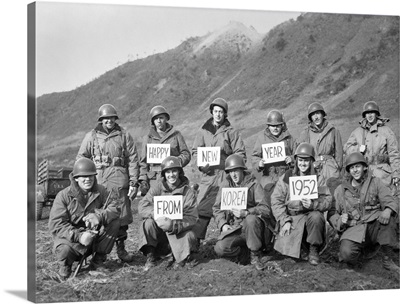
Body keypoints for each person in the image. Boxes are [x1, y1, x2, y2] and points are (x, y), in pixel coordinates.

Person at [76, 104, 140, 263]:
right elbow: (81, 158)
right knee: (97, 216)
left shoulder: (124, 135)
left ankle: (121, 250)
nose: (109, 121)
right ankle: (97, 253)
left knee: (122, 217)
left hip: (119, 182)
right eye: (106, 118)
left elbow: (133, 159)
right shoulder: (91, 137)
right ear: (101, 120)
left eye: (112, 118)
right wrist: (84, 179)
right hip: (99, 182)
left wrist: (134, 181)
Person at [48, 158, 121, 280]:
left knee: (115, 222)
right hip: (71, 241)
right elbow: (56, 224)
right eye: (83, 176)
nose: (88, 179)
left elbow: (116, 207)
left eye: (91, 176)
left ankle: (97, 262)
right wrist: (79, 236)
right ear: (76, 178)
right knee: (64, 250)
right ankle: (65, 267)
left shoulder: (101, 191)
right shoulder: (63, 196)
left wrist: (99, 216)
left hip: (94, 238)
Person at [328, 152, 399, 268]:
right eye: (352, 168)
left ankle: (388, 258)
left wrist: (388, 210)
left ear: (364, 167)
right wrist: (340, 220)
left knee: (389, 218)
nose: (355, 170)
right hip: (354, 228)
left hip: (374, 225)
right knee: (346, 254)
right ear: (348, 171)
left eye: (357, 166)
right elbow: (332, 213)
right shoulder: (340, 190)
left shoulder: (375, 182)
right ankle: (361, 257)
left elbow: (390, 200)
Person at [191, 97, 247, 244]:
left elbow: (240, 153)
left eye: (221, 112)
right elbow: (196, 151)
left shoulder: (231, 132)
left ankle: (232, 237)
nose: (218, 114)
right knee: (202, 208)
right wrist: (201, 165)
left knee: (227, 207)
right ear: (212, 112)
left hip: (225, 176)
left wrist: (231, 166)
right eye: (215, 111)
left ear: (225, 114)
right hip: (208, 176)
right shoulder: (203, 131)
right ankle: (195, 241)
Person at [271, 142, 333, 265]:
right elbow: (276, 201)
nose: (303, 164)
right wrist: (284, 220)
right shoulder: (287, 177)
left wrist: (313, 205)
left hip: (311, 219)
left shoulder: (318, 178)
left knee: (316, 216)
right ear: (296, 161)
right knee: (287, 251)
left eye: (306, 160)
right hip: (292, 218)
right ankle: (300, 249)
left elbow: (328, 200)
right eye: (300, 160)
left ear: (311, 161)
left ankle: (313, 249)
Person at [213, 154, 275, 270]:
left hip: (255, 229)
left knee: (250, 219)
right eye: (231, 172)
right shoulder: (225, 186)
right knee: (220, 248)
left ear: (242, 170)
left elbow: (265, 208)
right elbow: (217, 209)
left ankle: (255, 255)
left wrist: (247, 212)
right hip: (236, 229)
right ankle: (245, 253)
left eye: (236, 170)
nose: (234, 174)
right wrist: (223, 224)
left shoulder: (254, 185)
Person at [138, 156, 198, 271]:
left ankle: (180, 258)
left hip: (178, 231)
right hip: (161, 234)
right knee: (147, 223)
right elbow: (142, 205)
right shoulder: (157, 187)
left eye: (174, 171)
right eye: (168, 172)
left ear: (179, 172)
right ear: (164, 174)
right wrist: (155, 214)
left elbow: (192, 217)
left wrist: (173, 225)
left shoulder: (187, 192)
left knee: (190, 235)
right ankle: (151, 257)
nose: (171, 175)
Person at [344, 101, 400, 188]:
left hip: (383, 174)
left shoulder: (387, 131)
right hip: (364, 174)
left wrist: (396, 173)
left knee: (386, 199)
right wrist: (358, 149)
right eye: (367, 113)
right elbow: (347, 148)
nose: (370, 116)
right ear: (364, 115)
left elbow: (394, 153)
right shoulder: (358, 132)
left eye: (372, 113)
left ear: (376, 114)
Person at [138, 105, 191, 195]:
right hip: (154, 179)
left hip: (172, 177)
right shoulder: (147, 138)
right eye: (156, 119)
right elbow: (143, 162)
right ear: (153, 121)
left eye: (161, 118)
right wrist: (143, 180)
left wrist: (175, 162)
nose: (159, 121)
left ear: (166, 119)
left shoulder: (176, 135)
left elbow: (186, 154)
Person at [251, 109, 296, 201]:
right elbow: (255, 156)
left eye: (277, 125)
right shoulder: (261, 138)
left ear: (282, 125)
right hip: (269, 176)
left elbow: (297, 155)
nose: (275, 128)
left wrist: (291, 159)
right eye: (272, 126)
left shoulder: (289, 138)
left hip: (286, 175)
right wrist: (259, 163)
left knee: (289, 200)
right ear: (268, 126)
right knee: (269, 201)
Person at [298, 102, 343, 187]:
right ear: (310, 118)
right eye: (313, 115)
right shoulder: (305, 133)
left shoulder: (333, 130)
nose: (316, 117)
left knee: (335, 193)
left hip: (330, 168)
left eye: (318, 113)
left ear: (322, 114)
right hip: (313, 168)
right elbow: (301, 153)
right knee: (316, 196)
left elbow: (339, 153)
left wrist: (336, 167)